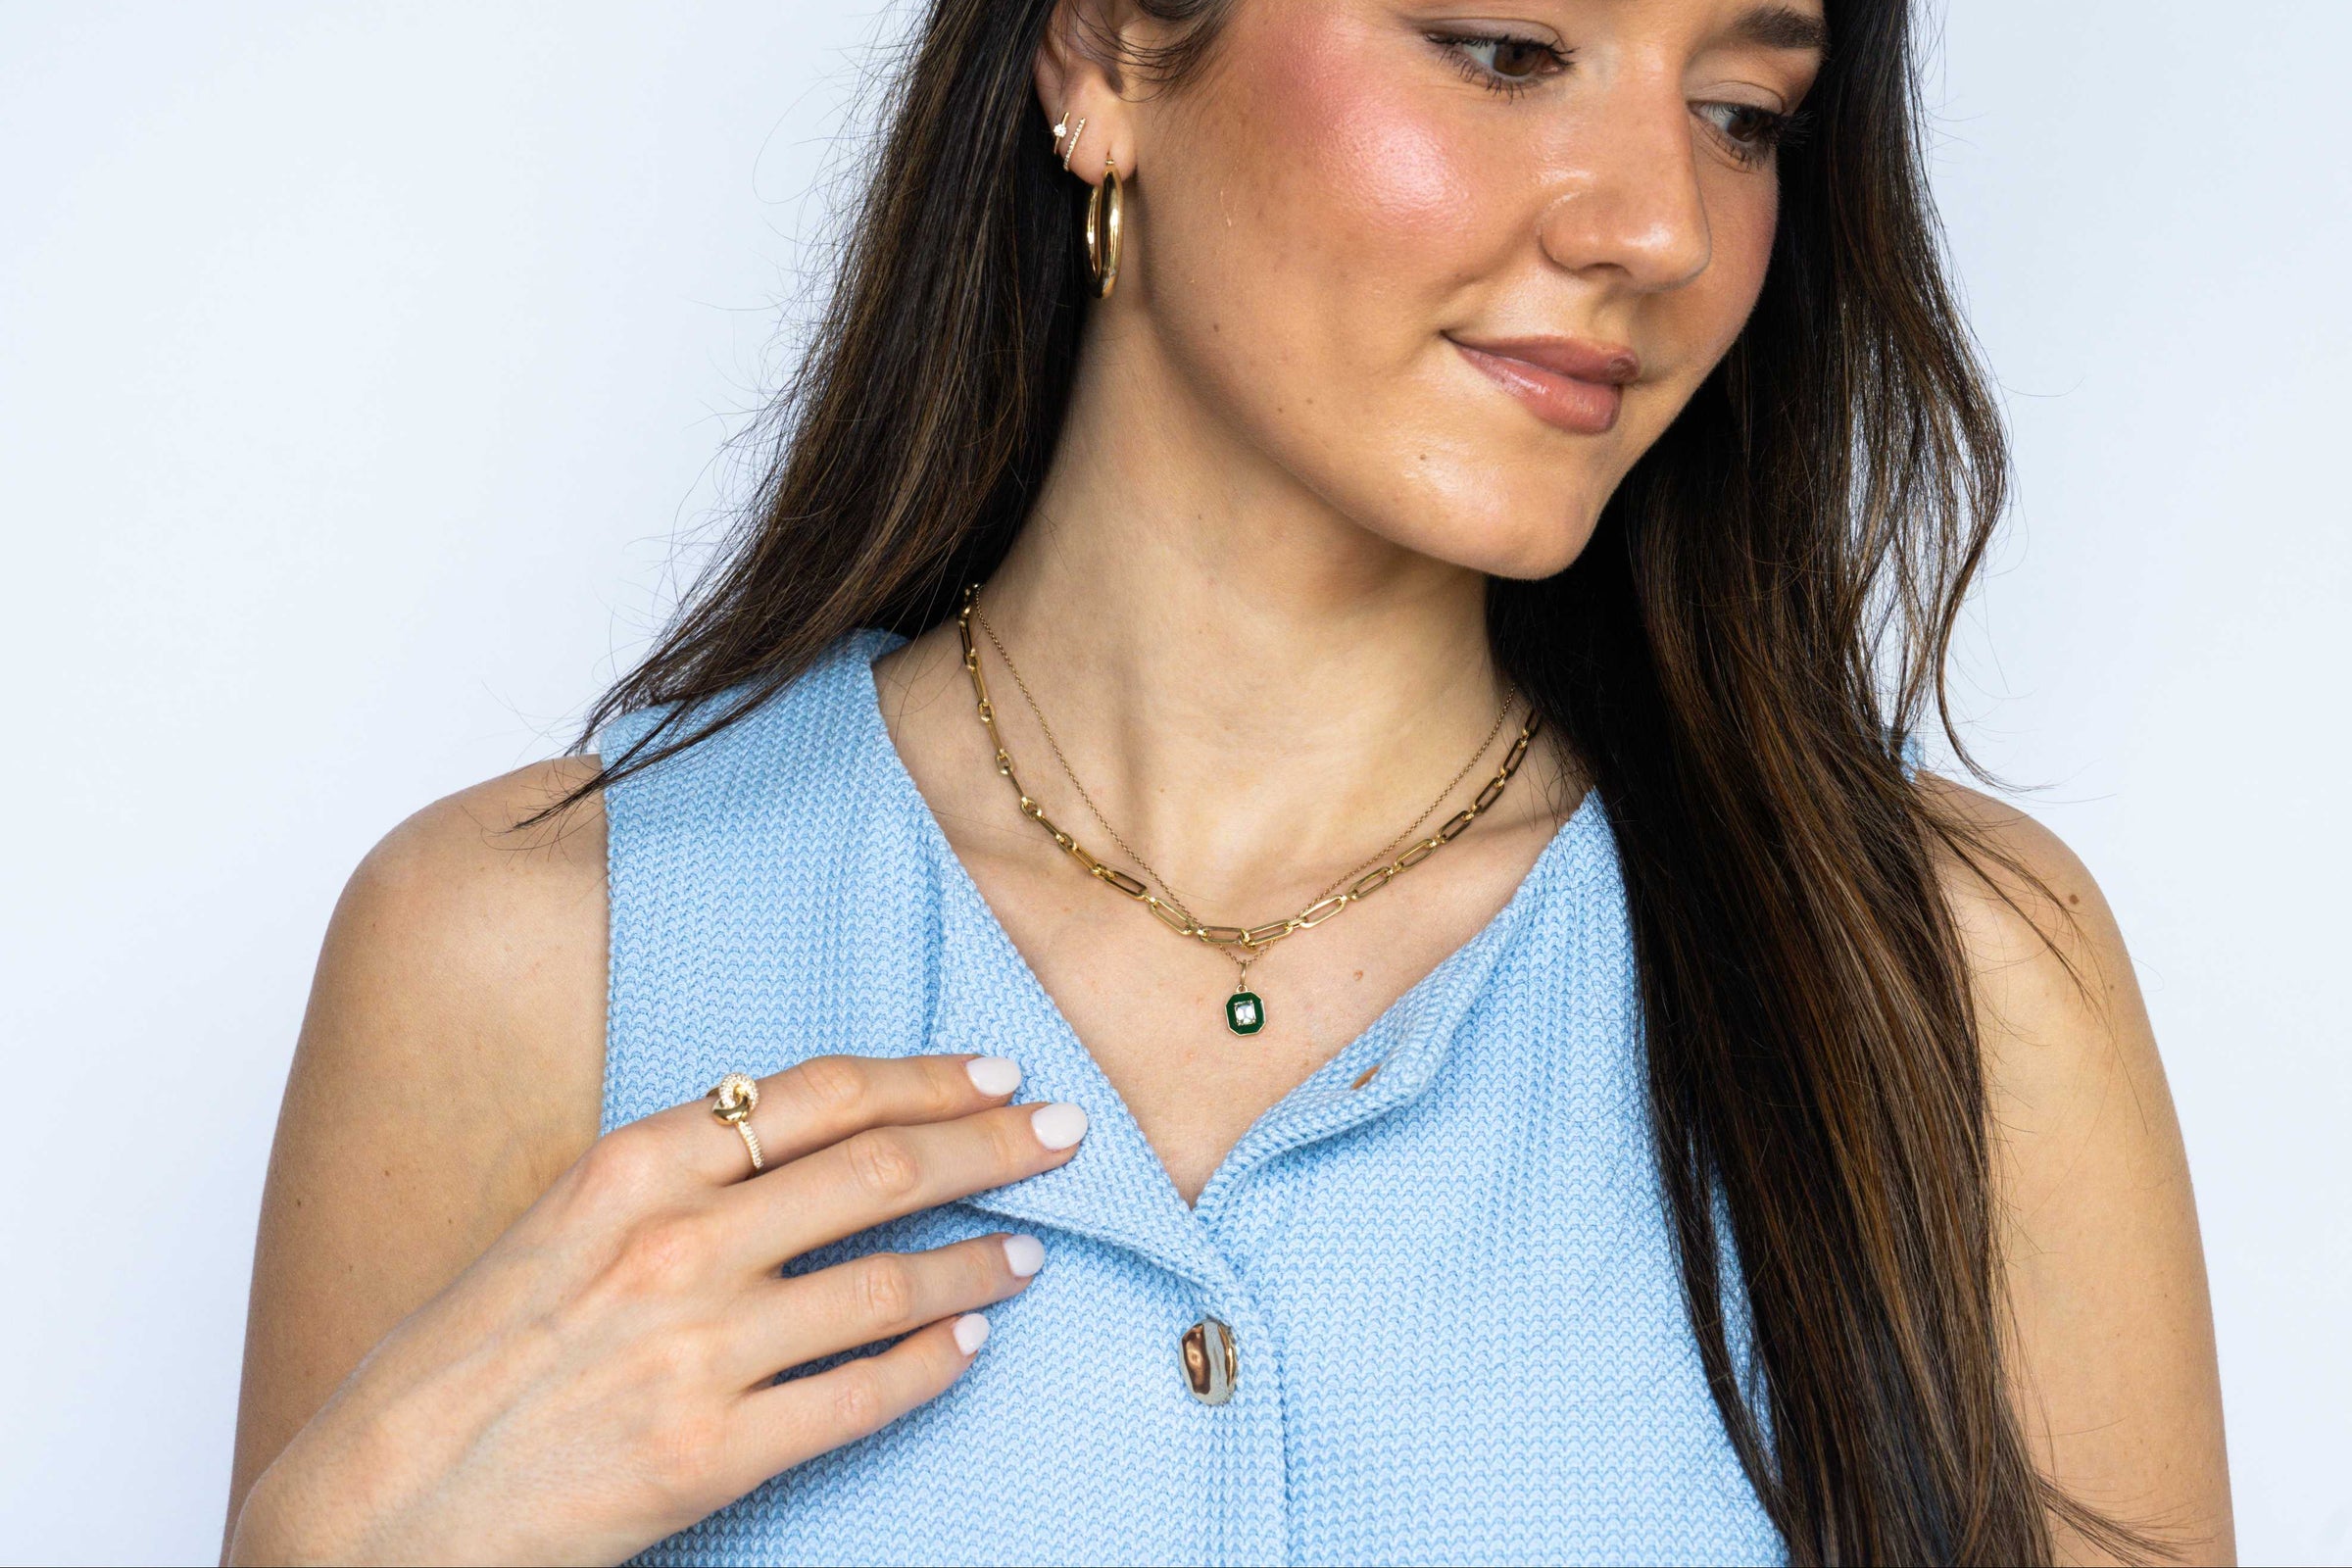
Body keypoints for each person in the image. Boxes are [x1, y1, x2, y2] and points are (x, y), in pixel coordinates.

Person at [220, 0, 2232, 1562]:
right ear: (1104, 54)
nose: (1660, 226)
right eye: (1506, 48)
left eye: (1743, 112)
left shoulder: (1948, 984)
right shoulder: (527, 963)